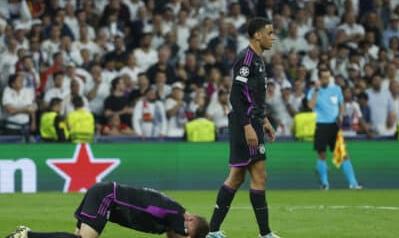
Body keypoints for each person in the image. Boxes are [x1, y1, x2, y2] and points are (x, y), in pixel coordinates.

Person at [206, 17, 279, 238]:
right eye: (269, 33)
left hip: (253, 122)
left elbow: (255, 96)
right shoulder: (246, 59)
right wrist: (248, 126)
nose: (272, 37)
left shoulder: (258, 59)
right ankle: (264, 233)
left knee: (238, 176)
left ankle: (213, 231)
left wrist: (264, 121)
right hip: (244, 123)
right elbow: (235, 96)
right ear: (257, 35)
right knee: (256, 176)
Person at [5, 182, 209, 238]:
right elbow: (180, 232)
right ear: (189, 220)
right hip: (107, 197)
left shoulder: (171, 215)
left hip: (104, 194)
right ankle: (25, 235)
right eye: (187, 234)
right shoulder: (175, 214)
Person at [307, 67, 362, 190]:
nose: (326, 79)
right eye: (323, 77)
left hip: (334, 126)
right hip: (320, 125)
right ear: (319, 78)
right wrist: (316, 89)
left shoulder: (336, 89)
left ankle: (353, 183)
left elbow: (341, 104)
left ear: (330, 77)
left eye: (327, 77)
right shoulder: (313, 90)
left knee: (343, 154)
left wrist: (341, 115)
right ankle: (325, 184)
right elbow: (310, 106)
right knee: (322, 154)